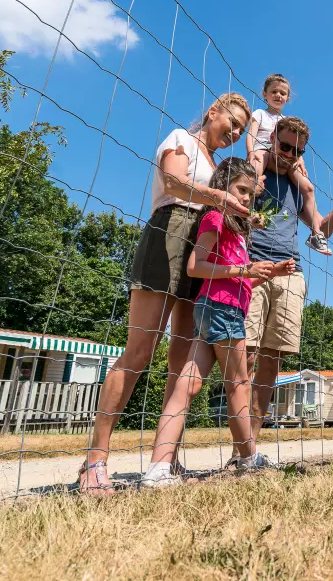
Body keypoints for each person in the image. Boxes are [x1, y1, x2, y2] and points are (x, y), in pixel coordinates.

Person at [78, 93, 253, 495]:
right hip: (169, 235)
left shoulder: (218, 166)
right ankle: (95, 460)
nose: (236, 132)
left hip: (200, 249)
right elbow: (173, 180)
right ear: (213, 111)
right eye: (233, 122)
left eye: (243, 129)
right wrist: (219, 198)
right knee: (139, 352)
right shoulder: (181, 139)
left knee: (181, 362)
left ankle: (166, 458)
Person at [141, 158, 295, 486]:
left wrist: (267, 273)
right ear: (222, 185)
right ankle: (248, 459)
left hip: (218, 308)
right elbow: (196, 266)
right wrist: (243, 270)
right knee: (239, 384)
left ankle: (158, 467)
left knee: (189, 383)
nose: (245, 199)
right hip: (221, 310)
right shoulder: (215, 217)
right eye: (240, 190)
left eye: (250, 196)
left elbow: (237, 281)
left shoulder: (238, 227)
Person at [243, 115, 333, 448]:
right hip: (252, 266)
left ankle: (249, 450)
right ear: (271, 138)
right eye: (284, 146)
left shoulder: (296, 187)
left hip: (290, 273)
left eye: (297, 150)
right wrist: (257, 166)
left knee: (272, 362)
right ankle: (239, 445)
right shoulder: (251, 173)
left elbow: (321, 229)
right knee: (244, 357)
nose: (288, 154)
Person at [246, 74, 332, 256]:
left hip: (285, 158)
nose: (278, 95)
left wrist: (300, 161)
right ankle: (246, 211)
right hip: (263, 150)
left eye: (282, 93)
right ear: (264, 94)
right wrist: (251, 152)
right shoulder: (260, 114)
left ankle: (316, 234)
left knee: (308, 188)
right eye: (274, 91)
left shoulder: (287, 120)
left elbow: (295, 148)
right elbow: (251, 135)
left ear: (287, 98)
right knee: (254, 176)